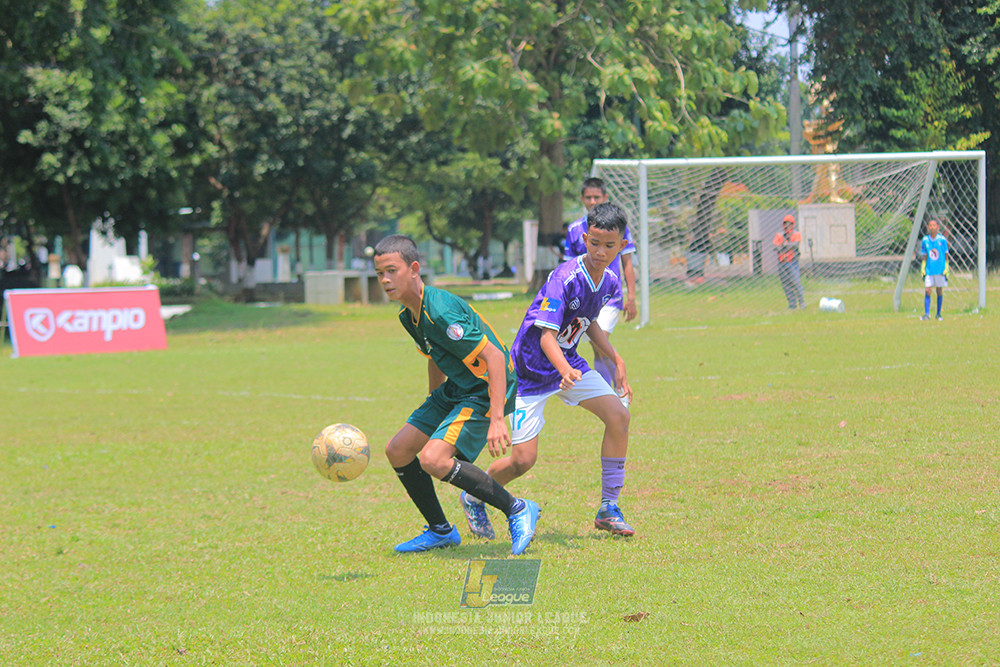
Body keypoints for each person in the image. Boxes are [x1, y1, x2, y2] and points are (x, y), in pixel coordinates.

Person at [460, 203, 636, 540]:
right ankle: (472, 494)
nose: (600, 252)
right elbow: (546, 336)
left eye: (609, 246)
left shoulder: (611, 281)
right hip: (531, 371)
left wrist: (616, 360)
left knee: (619, 418)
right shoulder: (564, 277)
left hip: (568, 363)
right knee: (523, 460)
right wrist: (565, 369)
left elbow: (588, 323)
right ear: (585, 237)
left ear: (621, 245)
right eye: (594, 243)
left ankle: (608, 508)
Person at [372, 235, 540, 555]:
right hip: (456, 389)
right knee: (398, 450)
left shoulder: (441, 311)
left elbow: (493, 357)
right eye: (380, 273)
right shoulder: (409, 315)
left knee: (433, 460)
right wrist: (434, 402)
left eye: (391, 270)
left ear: (414, 269)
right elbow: (435, 357)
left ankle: (517, 508)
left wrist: (496, 420)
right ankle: (441, 531)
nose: (385, 280)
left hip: (483, 388)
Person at [564, 177, 637, 403]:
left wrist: (632, 297)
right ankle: (610, 394)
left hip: (610, 296)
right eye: (588, 197)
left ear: (605, 198)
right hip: (584, 299)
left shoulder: (618, 229)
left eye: (597, 197)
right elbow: (568, 265)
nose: (593, 201)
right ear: (582, 199)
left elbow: (627, 263)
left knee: (599, 341)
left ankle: (617, 394)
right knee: (597, 348)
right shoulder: (574, 229)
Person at [916, 219, 948, 321]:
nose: (932, 227)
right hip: (929, 270)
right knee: (927, 290)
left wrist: (946, 267)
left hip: (939, 269)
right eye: (930, 225)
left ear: (938, 227)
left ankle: (938, 314)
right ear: (928, 228)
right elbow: (925, 255)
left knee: (939, 290)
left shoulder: (942, 240)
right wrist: (923, 267)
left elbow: (946, 254)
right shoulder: (925, 240)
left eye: (934, 225)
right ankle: (927, 314)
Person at [773, 214, 806, 309]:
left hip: (792, 263)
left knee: (796, 282)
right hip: (782, 263)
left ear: (793, 224)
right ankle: (792, 304)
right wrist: (786, 246)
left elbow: (795, 245)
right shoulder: (779, 235)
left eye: (789, 224)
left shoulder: (796, 234)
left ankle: (802, 303)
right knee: (786, 284)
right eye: (785, 224)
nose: (787, 226)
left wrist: (783, 245)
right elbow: (775, 247)